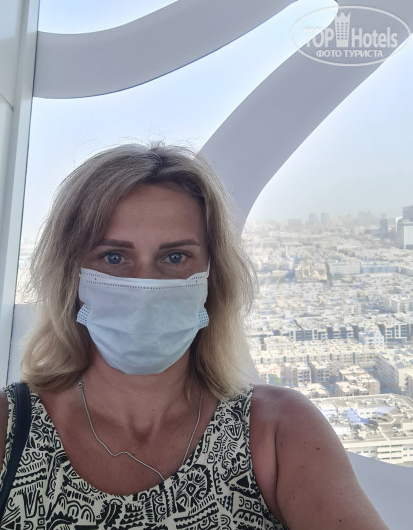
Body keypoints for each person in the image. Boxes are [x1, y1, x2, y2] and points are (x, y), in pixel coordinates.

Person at [0, 143, 388, 529]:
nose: (146, 287)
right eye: (114, 257)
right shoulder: (8, 428)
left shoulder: (279, 431)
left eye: (174, 257)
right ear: (72, 275)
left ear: (211, 278)